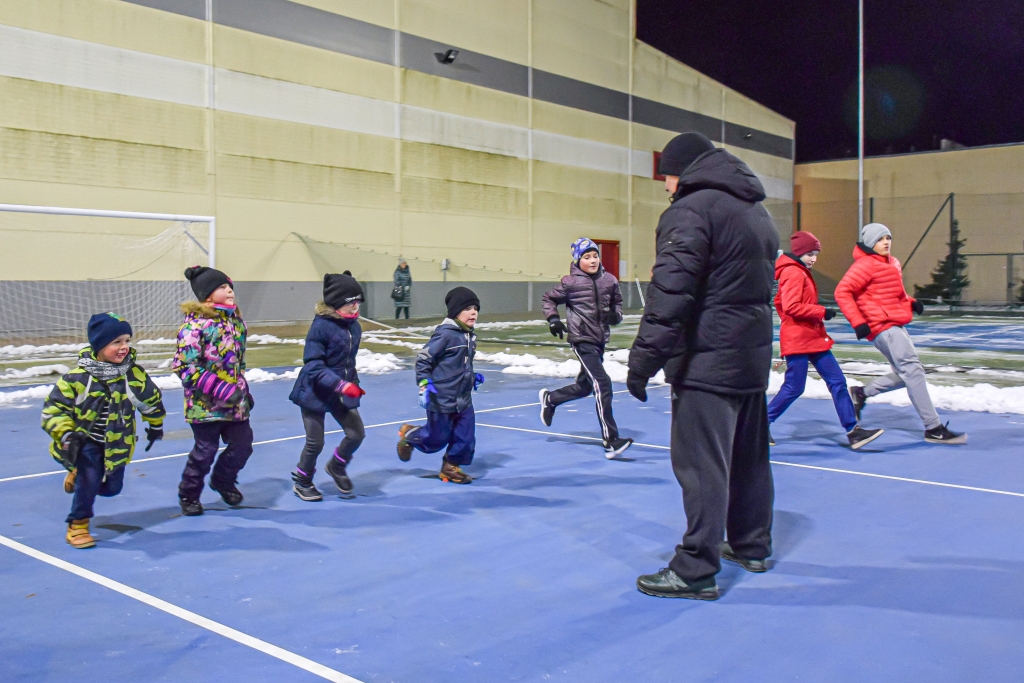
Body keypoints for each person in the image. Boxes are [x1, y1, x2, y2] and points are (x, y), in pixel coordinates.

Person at [627, 132, 779, 600]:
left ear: (683, 171)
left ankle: (695, 568)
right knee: (749, 459)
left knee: (701, 466)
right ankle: (752, 545)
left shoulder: (691, 210)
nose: (666, 186)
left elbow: (670, 293)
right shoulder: (756, 210)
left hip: (706, 360)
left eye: (667, 176)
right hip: (750, 356)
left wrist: (643, 360)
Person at [834, 223, 966, 444]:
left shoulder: (892, 262)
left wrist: (911, 302)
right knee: (913, 371)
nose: (886, 242)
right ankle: (933, 428)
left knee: (908, 373)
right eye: (880, 239)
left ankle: (861, 393)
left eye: (888, 238)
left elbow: (895, 293)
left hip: (895, 324)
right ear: (870, 243)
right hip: (883, 327)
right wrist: (858, 322)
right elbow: (842, 292)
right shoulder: (864, 265)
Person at [41, 312, 165, 548]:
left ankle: (77, 478)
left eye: (127, 340)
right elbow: (53, 410)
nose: (124, 347)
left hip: (118, 442)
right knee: (90, 479)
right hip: (85, 441)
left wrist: (156, 424)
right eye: (116, 342)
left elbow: (150, 401)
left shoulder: (134, 375)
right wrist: (66, 434)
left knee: (112, 489)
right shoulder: (77, 379)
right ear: (99, 345)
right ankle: (78, 524)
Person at [769, 231, 884, 449]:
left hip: (812, 337)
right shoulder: (793, 272)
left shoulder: (800, 271)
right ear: (799, 252)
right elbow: (791, 306)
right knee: (794, 387)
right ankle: (761, 423)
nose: (814, 258)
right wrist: (821, 311)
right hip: (798, 340)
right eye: (810, 254)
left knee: (837, 381)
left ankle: (853, 431)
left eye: (816, 254)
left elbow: (781, 303)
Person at [539, 237, 633, 458]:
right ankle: (611, 440)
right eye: (587, 257)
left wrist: (615, 315)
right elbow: (548, 299)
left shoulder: (609, 280)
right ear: (577, 260)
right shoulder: (570, 283)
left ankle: (551, 399)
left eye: (595, 255)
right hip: (581, 339)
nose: (593, 260)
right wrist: (553, 319)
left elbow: (617, 305)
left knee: (585, 387)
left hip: (599, 340)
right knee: (602, 383)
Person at [173, 266, 255, 516]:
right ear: (207, 294)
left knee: (243, 446)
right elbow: (185, 367)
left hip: (235, 404)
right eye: (222, 287)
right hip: (205, 406)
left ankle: (223, 480)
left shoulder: (236, 324)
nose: (229, 290)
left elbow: (238, 365)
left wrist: (244, 391)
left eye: (230, 286)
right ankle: (189, 494)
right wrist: (221, 389)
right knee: (205, 452)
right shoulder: (194, 327)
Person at [288, 272, 367, 501]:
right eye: (351, 302)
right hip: (314, 392)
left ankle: (337, 466)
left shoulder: (354, 328)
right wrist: (340, 385)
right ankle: (302, 482)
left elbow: (348, 362)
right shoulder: (321, 327)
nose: (355, 307)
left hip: (339, 392)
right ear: (336, 303)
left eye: (358, 302)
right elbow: (313, 366)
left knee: (356, 434)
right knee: (315, 442)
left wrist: (353, 383)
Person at [396, 286, 483, 484]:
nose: (473, 313)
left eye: (475, 308)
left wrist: (472, 377)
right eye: (467, 308)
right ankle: (410, 436)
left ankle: (450, 466)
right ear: (455, 312)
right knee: (436, 439)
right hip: (441, 397)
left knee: (466, 436)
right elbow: (423, 359)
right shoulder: (445, 335)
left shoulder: (469, 336)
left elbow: (461, 364)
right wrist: (424, 382)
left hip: (463, 398)